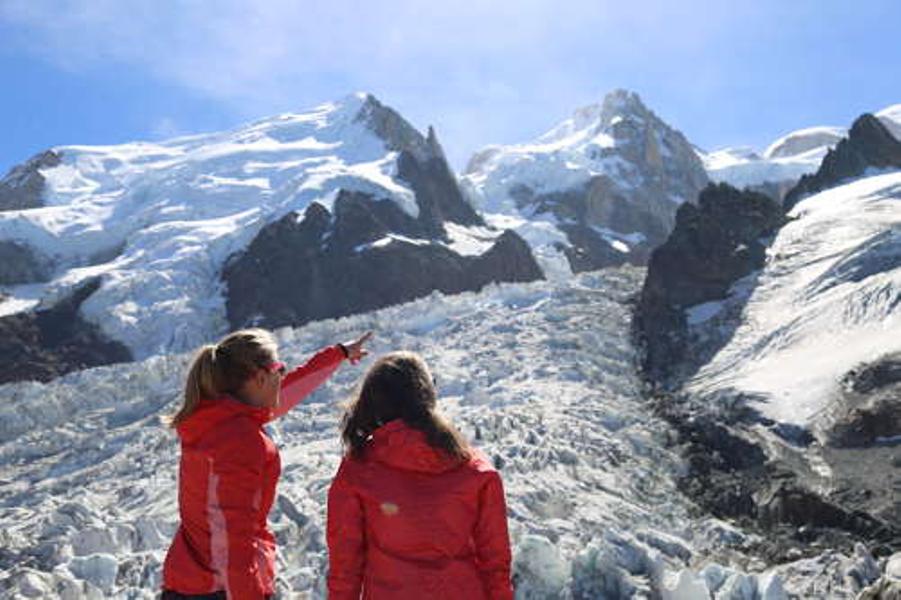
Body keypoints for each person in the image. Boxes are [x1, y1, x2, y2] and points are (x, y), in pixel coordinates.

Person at [161, 328, 372, 600]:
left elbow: (286, 392)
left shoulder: (215, 417)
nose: (283, 376)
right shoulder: (240, 442)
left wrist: (338, 355)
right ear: (260, 378)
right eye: (279, 369)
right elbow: (234, 540)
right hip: (221, 588)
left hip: (192, 579)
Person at [327, 351, 513, 600]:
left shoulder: (358, 470)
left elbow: (345, 568)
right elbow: (495, 564)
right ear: (429, 397)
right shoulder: (474, 469)